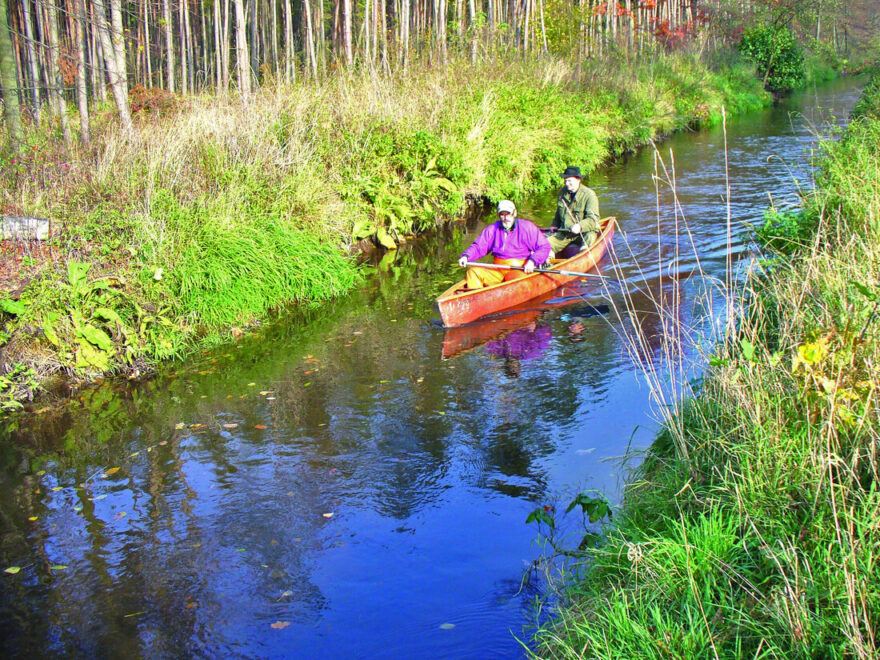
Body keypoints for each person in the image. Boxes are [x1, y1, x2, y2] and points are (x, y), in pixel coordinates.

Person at [457, 200, 551, 290]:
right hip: (498, 269)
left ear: (514, 213)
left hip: (518, 270)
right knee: (473, 272)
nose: (505, 218)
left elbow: (544, 247)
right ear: (499, 215)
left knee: (517, 282)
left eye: (508, 214)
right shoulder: (493, 229)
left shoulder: (527, 227)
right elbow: (478, 247)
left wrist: (532, 262)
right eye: (502, 214)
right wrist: (466, 256)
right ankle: (476, 299)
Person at [548, 166, 600, 258]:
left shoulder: (589, 195)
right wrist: (554, 224)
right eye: (565, 180)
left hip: (584, 233)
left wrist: (579, 226)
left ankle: (582, 258)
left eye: (569, 181)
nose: (566, 183)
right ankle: (547, 264)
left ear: (578, 179)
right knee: (545, 245)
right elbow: (558, 212)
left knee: (589, 239)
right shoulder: (562, 193)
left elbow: (593, 220)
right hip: (566, 232)